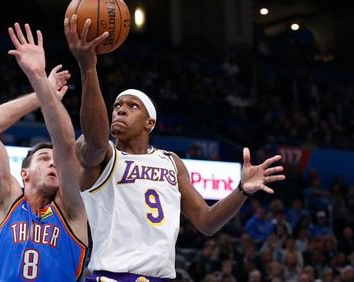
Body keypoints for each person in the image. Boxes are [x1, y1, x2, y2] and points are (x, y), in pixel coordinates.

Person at [64, 15, 286, 281]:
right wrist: (88, 69)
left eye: (132, 106)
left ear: (150, 123)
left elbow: (206, 222)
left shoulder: (171, 162)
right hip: (111, 276)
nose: (120, 109)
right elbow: (97, 140)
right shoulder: (103, 155)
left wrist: (241, 191)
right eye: (117, 106)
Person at [0, 23, 87, 281]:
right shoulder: (4, 202)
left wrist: (39, 78)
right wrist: (41, 93)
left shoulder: (71, 210)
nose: (53, 165)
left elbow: (66, 144)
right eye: (44, 159)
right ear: (24, 174)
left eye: (55, 162)